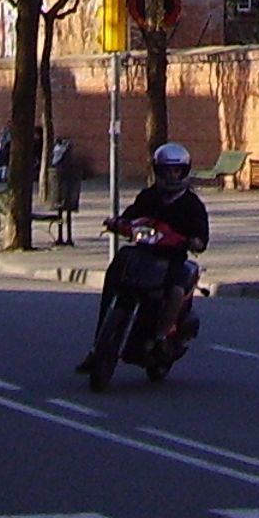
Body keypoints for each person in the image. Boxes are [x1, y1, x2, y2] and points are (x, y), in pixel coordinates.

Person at [80, 143, 209, 371]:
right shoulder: (149, 196)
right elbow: (130, 216)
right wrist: (118, 223)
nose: (171, 176)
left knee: (176, 290)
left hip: (172, 258)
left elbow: (201, 237)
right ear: (158, 171)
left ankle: (160, 338)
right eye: (166, 171)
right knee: (118, 267)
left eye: (176, 171)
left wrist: (194, 241)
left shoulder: (192, 204)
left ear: (184, 172)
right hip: (143, 254)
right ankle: (97, 346)